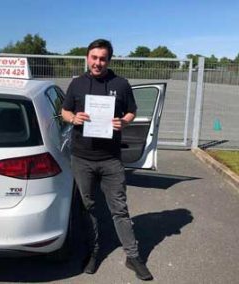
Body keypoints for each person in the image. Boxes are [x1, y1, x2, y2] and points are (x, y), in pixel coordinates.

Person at [61, 39, 153, 281]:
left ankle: (133, 256)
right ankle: (93, 252)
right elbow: (64, 111)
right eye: (94, 57)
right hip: (82, 158)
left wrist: (124, 121)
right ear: (87, 58)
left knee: (119, 209)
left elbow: (132, 110)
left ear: (109, 60)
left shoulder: (120, 84)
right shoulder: (77, 83)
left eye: (102, 58)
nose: (97, 62)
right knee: (87, 207)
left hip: (111, 159)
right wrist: (73, 119)